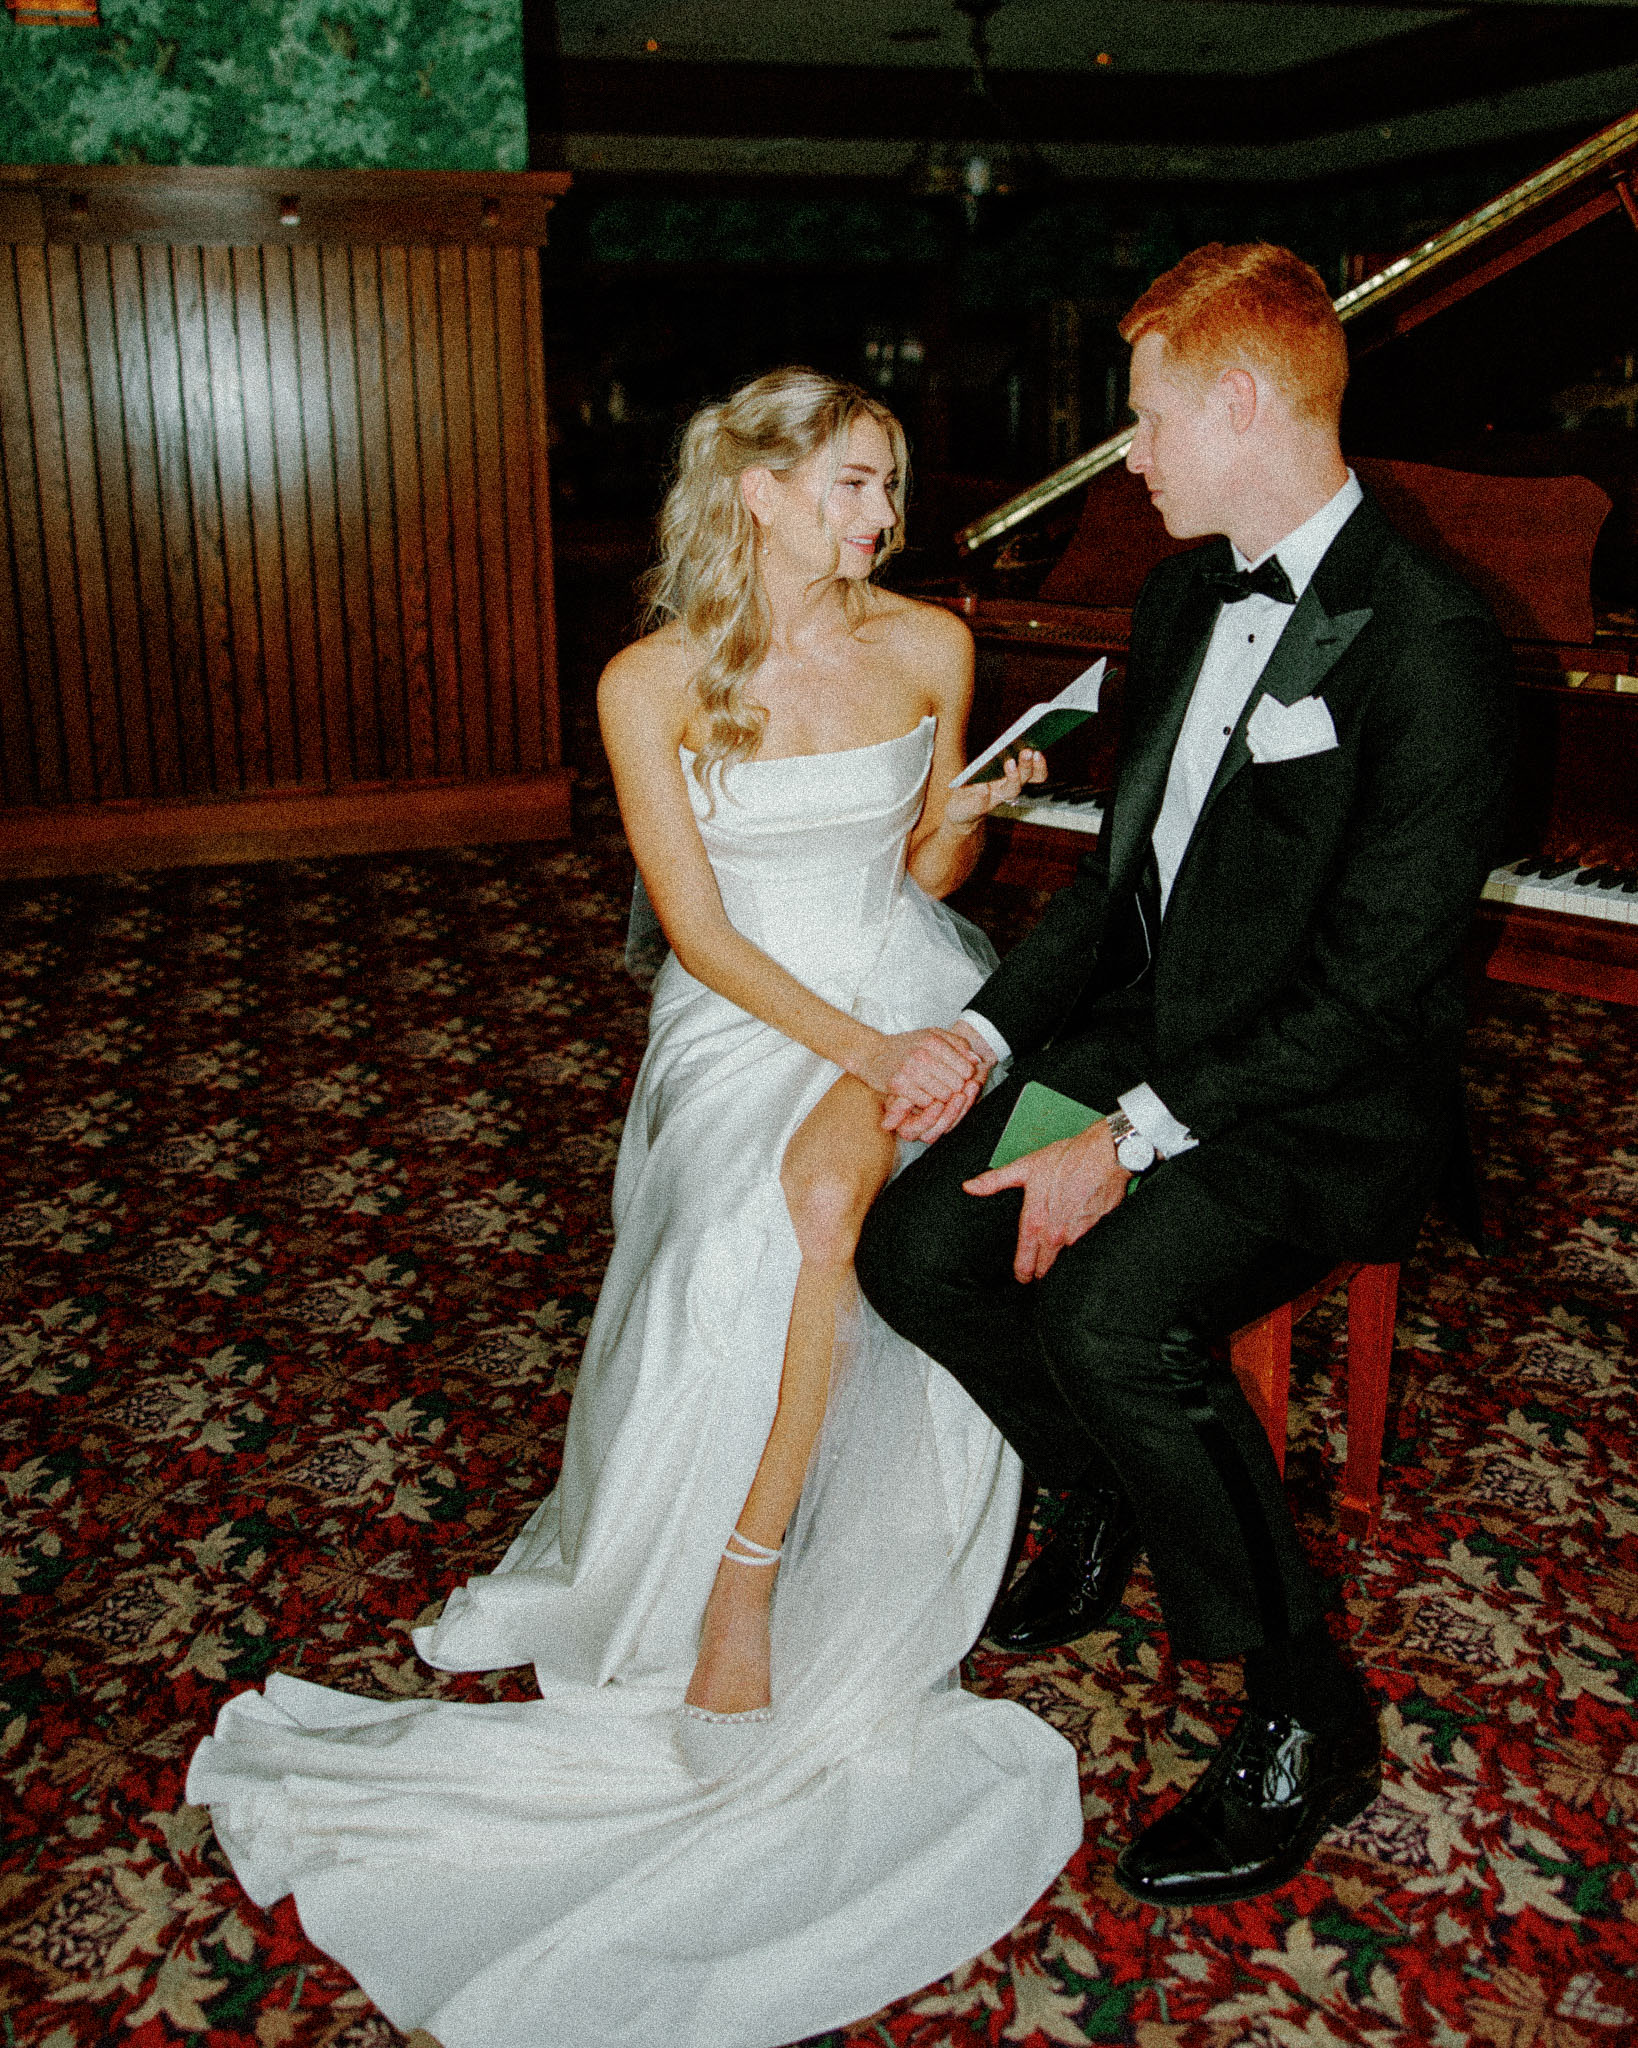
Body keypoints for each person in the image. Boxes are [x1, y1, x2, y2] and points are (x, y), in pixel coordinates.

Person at [186, 367, 1082, 2048]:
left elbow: (917, 886)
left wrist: (958, 831)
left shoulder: (932, 646)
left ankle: (790, 1562)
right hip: (751, 1015)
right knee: (757, 1219)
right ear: (751, 493)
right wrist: (869, 1053)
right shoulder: (650, 680)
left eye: (888, 486)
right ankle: (728, 1577)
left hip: (905, 977)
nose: (878, 520)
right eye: (844, 486)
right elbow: (701, 933)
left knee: (908, 1188)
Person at [856, 243, 1514, 1907]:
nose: (1127, 454)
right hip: (1155, 1046)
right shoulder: (1179, 591)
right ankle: (1098, 1482)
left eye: (1143, 419)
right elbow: (1110, 891)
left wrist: (1123, 1145)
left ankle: (1308, 1705)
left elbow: (1372, 995)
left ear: (1236, 403)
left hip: (1321, 1104)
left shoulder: (1428, 641)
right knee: (912, 1246)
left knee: (1110, 1313)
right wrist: (984, 1042)